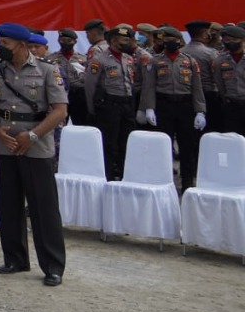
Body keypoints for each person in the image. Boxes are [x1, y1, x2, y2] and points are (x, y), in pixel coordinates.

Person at [0, 22, 68, 286]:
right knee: (9, 205)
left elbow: (59, 111)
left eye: (5, 44)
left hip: (37, 146)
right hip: (7, 144)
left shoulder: (46, 70)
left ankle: (53, 266)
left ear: (21, 45)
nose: (0, 47)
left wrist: (32, 136)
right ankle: (15, 259)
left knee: (43, 208)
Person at [140, 25, 206, 192]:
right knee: (163, 146)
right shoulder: (155, 61)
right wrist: (149, 108)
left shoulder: (189, 61)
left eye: (173, 40)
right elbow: (149, 86)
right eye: (166, 40)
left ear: (179, 41)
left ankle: (187, 183)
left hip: (185, 106)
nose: (170, 43)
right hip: (164, 105)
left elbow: (197, 88)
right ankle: (164, 182)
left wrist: (200, 111)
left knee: (187, 146)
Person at [83, 24, 140, 181]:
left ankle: (124, 175)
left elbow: (131, 82)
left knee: (126, 142)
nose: (127, 41)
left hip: (126, 104)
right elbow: (90, 85)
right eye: (124, 38)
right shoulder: (99, 59)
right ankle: (107, 176)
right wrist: (91, 109)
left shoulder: (128, 59)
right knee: (109, 144)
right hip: (109, 105)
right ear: (114, 40)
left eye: (128, 38)